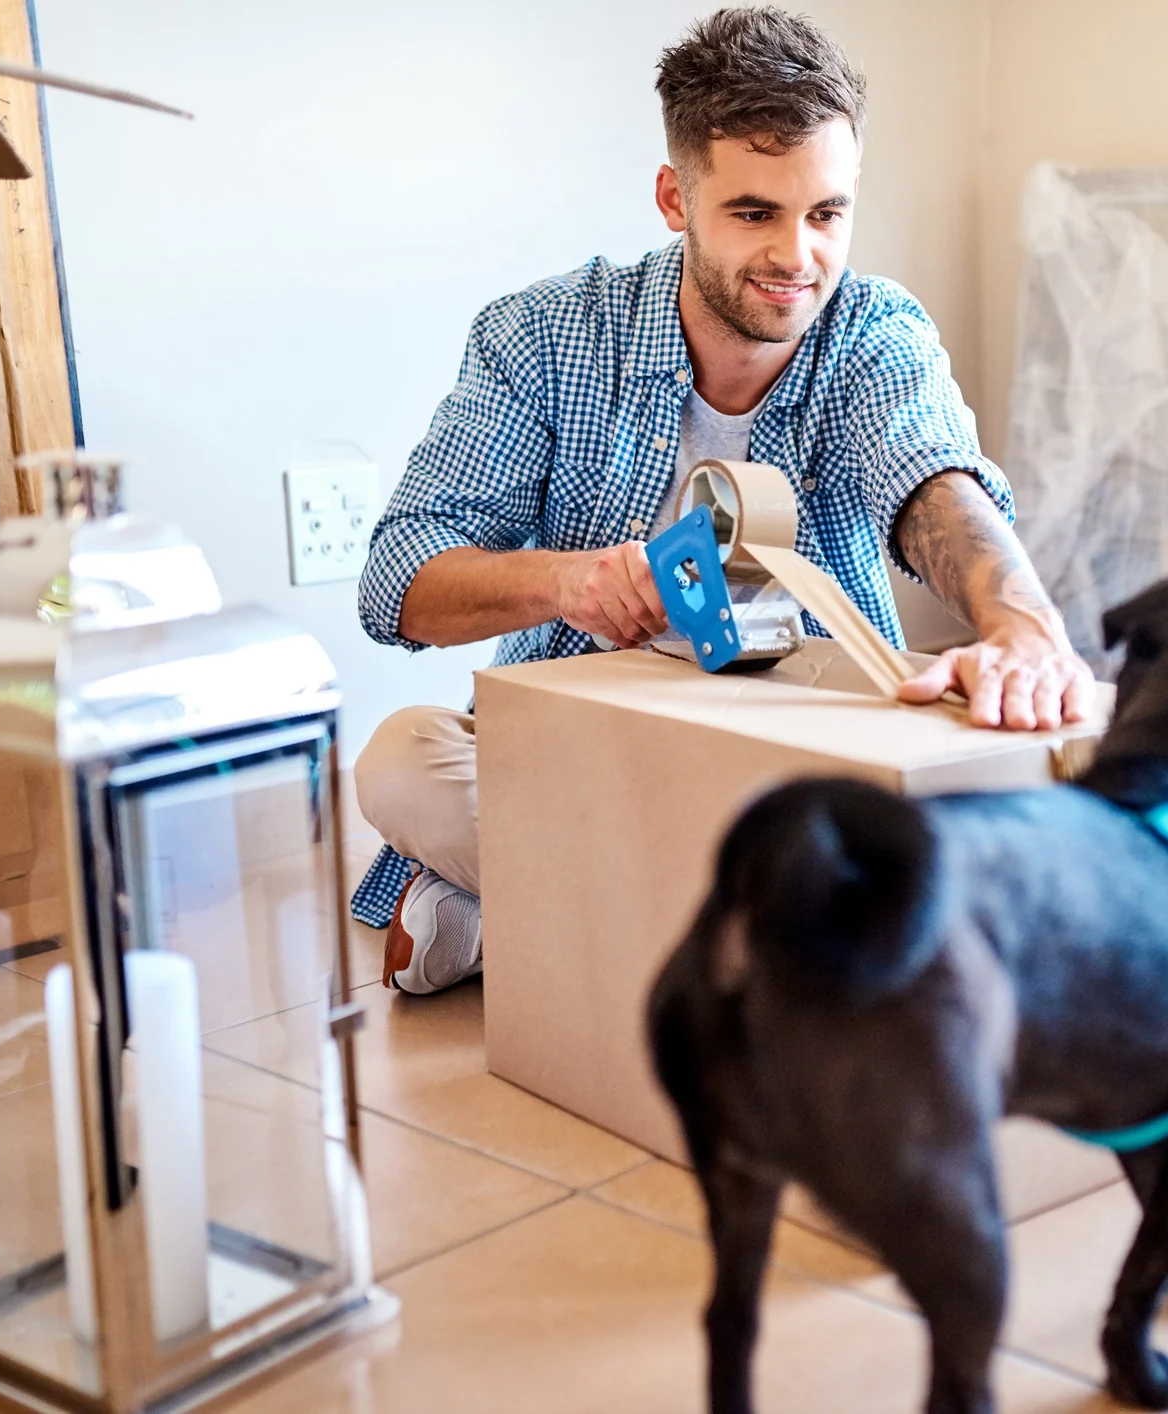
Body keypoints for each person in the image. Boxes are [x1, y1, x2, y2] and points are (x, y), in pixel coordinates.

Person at [351, 5, 1092, 994]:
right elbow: (397, 579)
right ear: (674, 197)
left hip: (791, 748)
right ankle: (727, 939)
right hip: (588, 749)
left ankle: (520, 916)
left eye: (826, 214)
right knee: (400, 761)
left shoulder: (872, 333)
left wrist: (1022, 620)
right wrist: (574, 583)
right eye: (754, 213)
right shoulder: (542, 335)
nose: (797, 257)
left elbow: (931, 480)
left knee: (933, 834)